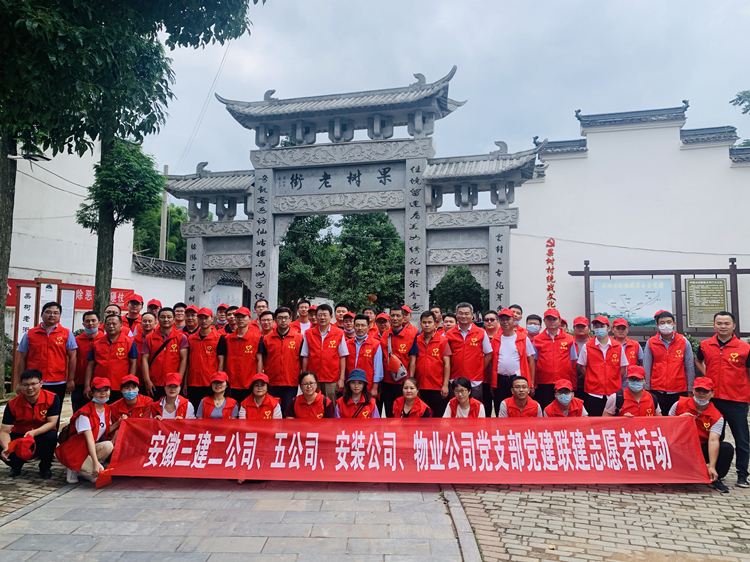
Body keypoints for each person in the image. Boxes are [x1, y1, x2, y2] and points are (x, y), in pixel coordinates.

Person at [695, 311, 750, 488]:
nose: (723, 326)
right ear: (714, 325)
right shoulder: (705, 345)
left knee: (742, 439)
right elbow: (698, 360)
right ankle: (717, 472)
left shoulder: (744, 348)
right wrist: (708, 377)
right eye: (719, 323)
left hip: (737, 399)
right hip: (714, 400)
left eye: (727, 323)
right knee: (716, 438)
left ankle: (743, 475)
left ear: (734, 326)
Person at [670, 377, 734, 493]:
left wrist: (712, 466)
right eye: (698, 390)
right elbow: (667, 427)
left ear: (712, 393)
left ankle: (715, 477)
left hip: (700, 449)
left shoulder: (717, 416)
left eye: (705, 391)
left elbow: (713, 441)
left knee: (727, 448)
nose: (701, 393)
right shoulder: (679, 404)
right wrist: (679, 419)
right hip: (680, 447)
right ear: (693, 391)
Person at [16, 301, 77, 407]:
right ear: (42, 314)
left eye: (55, 313)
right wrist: (19, 382)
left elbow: (73, 357)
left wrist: (70, 380)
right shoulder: (30, 334)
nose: (52, 315)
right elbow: (22, 358)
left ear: (60, 316)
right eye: (48, 312)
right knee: (32, 411)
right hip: (33, 382)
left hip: (58, 381)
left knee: (54, 412)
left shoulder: (67, 333)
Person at [1, 369, 60, 478]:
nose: (29, 388)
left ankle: (45, 467)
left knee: (51, 436)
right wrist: (6, 447)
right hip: (20, 436)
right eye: (25, 385)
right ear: (20, 385)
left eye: (33, 384)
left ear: (41, 383)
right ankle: (16, 465)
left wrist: (34, 433)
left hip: (40, 434)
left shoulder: (52, 398)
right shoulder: (12, 404)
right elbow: (4, 430)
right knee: (1, 444)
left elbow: (52, 423)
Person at [56, 376, 113, 484]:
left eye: (106, 390)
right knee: (97, 478)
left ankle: (86, 468)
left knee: (108, 445)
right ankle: (76, 468)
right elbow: (89, 439)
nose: (103, 393)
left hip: (87, 448)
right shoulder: (84, 413)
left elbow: (103, 429)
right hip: (75, 450)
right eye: (98, 391)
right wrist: (95, 462)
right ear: (92, 393)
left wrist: (119, 423)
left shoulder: (107, 408)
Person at [644, 310, 696, 416]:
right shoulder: (651, 342)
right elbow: (646, 366)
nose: (666, 325)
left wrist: (690, 389)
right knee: (660, 420)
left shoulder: (684, 342)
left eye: (669, 322)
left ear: (674, 324)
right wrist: (646, 388)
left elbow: (690, 366)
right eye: (662, 323)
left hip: (679, 389)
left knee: (678, 419)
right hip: (657, 390)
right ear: (657, 325)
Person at [577, 315, 629, 416]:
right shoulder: (587, 346)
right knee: (594, 421)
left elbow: (623, 368)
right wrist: (592, 379)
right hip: (593, 392)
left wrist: (614, 379)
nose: (599, 329)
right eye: (596, 327)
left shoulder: (617, 346)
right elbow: (583, 368)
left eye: (602, 326)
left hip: (613, 392)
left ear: (608, 328)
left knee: (613, 421)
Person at [489, 308, 536, 415]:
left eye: (508, 319)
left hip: (518, 380)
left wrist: (531, 383)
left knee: (519, 408)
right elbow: (492, 362)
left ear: (514, 320)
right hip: (500, 380)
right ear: (499, 321)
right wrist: (492, 383)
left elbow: (531, 361)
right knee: (500, 407)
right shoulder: (495, 339)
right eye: (502, 319)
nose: (505, 322)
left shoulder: (523, 339)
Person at [258, 307, 304, 415]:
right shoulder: (267, 339)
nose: (283, 320)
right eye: (280, 318)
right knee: (271, 411)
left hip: (290, 381)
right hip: (271, 382)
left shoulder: (299, 338)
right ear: (275, 320)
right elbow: (263, 359)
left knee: (287, 412)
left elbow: (302, 359)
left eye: (286, 318)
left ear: (290, 319)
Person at [446, 302, 493, 404]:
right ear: (456, 315)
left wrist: (480, 369)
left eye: (466, 313)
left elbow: (488, 354)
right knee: (455, 408)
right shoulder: (449, 334)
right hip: (454, 378)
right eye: (460, 313)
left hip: (474, 380)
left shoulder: (481, 332)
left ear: (472, 315)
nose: (463, 316)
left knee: (475, 407)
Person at [85, 315, 138, 403]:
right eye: (108, 324)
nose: (111, 326)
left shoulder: (129, 342)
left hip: (120, 386)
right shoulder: (97, 343)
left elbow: (133, 364)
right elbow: (90, 366)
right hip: (100, 387)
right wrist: (87, 386)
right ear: (105, 326)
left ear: (121, 326)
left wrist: (129, 385)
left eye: (114, 324)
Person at [301, 304, 348, 402]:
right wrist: (304, 377)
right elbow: (305, 356)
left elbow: (342, 357)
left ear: (331, 317)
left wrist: (341, 379)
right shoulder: (308, 333)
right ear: (316, 317)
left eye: (325, 315)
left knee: (330, 405)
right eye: (320, 315)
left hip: (331, 379)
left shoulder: (339, 333)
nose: (322, 318)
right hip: (313, 379)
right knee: (313, 404)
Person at [533, 308, 578, 409]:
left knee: (563, 409)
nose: (552, 321)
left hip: (563, 382)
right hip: (544, 382)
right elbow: (534, 361)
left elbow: (572, 360)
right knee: (546, 408)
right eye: (549, 319)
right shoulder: (537, 339)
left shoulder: (569, 339)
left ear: (560, 320)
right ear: (544, 321)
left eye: (554, 319)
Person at [141, 307, 189, 400]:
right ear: (158, 320)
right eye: (162, 317)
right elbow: (144, 359)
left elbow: (184, 360)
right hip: (154, 383)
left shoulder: (181, 337)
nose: (166, 319)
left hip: (173, 383)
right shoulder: (149, 338)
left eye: (169, 317)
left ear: (174, 319)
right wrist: (147, 380)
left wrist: (179, 380)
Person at [380, 306, 418, 417]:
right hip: (387, 381)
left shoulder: (411, 336)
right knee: (389, 411)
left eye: (398, 316)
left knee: (403, 412)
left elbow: (413, 360)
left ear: (403, 318)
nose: (395, 318)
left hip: (403, 382)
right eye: (393, 315)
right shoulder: (385, 335)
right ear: (389, 318)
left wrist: (411, 380)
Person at [186, 307, 226, 409]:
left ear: (212, 319)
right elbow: (187, 362)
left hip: (210, 383)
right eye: (201, 318)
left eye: (206, 318)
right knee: (193, 412)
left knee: (209, 411)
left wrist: (218, 381)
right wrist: (185, 383)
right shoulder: (191, 338)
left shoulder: (219, 338)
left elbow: (221, 362)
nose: (203, 321)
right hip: (193, 383)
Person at [414, 311, 450, 417]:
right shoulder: (416, 341)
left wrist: (445, 385)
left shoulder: (443, 341)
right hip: (420, 386)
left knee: (437, 417)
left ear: (435, 324)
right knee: (422, 417)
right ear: (420, 324)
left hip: (437, 387)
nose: (427, 325)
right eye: (424, 322)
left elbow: (447, 364)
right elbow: (413, 362)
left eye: (429, 322)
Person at [224, 306, 262, 405]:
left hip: (248, 384)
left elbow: (259, 360)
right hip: (230, 383)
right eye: (238, 317)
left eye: (243, 316)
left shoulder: (257, 338)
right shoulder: (227, 339)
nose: (240, 319)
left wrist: (257, 381)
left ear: (250, 318)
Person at [346, 314, 384, 399]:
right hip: (350, 385)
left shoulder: (375, 344)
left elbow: (378, 368)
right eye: (357, 325)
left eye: (363, 325)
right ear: (353, 327)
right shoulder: (347, 343)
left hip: (368, 385)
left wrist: (375, 387)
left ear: (368, 327)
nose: (360, 328)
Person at [71, 311, 102, 412]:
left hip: (99, 383)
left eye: (93, 320)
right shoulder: (76, 340)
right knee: (78, 411)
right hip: (79, 382)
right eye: (87, 321)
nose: (90, 323)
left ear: (99, 322)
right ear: (83, 324)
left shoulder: (104, 340)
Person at [109, 375, 153, 443]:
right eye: (127, 388)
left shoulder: (147, 402)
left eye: (134, 387)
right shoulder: (113, 407)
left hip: (141, 438)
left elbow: (145, 424)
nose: (130, 391)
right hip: (122, 440)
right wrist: (118, 423)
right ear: (121, 390)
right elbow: (110, 432)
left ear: (138, 389)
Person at [481, 310, 500, 415]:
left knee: (499, 407)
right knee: (485, 408)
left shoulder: (503, 335)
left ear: (498, 321)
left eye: (492, 319)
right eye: (486, 320)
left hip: (498, 378)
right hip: (483, 378)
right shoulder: (480, 335)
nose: (489, 322)